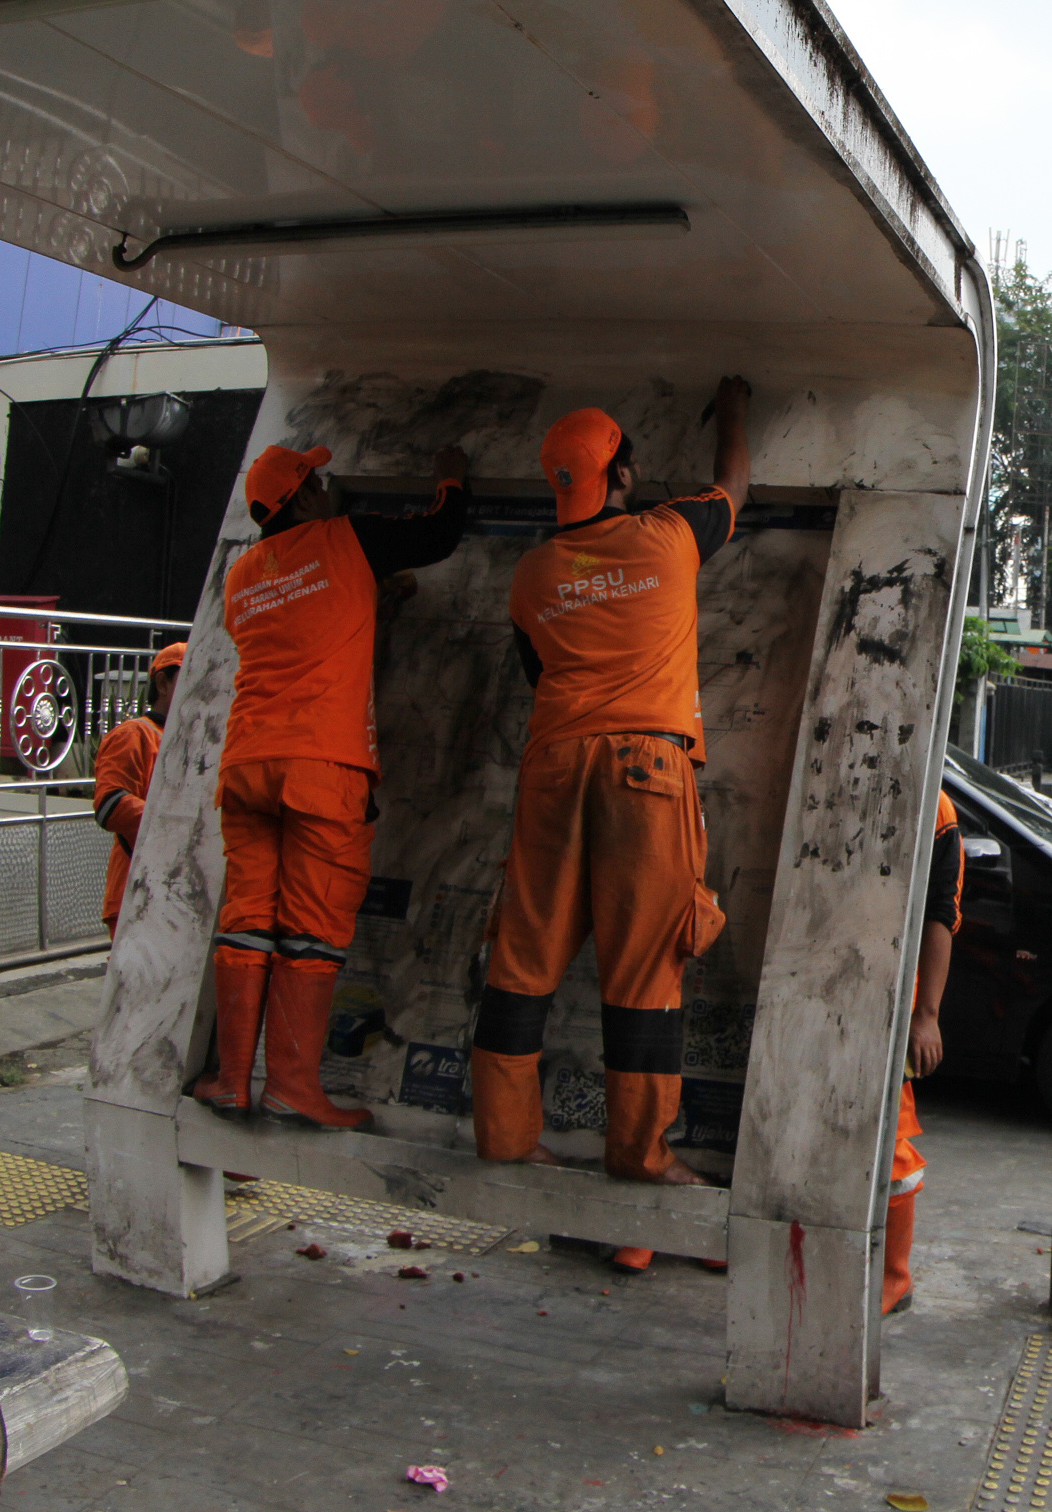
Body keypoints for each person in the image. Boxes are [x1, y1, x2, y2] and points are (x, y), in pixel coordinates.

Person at [469, 379, 749, 1256]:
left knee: (521, 958)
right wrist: (733, 403)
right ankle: (639, 1155)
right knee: (644, 971)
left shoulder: (531, 574)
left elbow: (538, 668)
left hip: (554, 761)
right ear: (623, 471)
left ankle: (506, 1138)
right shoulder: (669, 535)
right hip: (645, 769)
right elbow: (737, 486)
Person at [195, 441, 470, 1127]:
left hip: (248, 760)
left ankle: (232, 1080)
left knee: (249, 920)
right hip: (322, 763)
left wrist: (376, 597)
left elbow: (305, 621)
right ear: (308, 496)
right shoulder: (344, 538)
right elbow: (438, 534)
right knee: (312, 932)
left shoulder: (242, 574)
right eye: (318, 483)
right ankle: (291, 1086)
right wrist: (452, 478)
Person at [886, 790, 962, 1315]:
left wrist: (927, 1015)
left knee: (891, 1141)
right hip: (814, 973)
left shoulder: (934, 808)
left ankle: (894, 1277)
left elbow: (941, 914)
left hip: (888, 994)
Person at [94, 641, 185, 936]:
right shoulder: (136, 734)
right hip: (136, 894)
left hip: (173, 893)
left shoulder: (189, 740)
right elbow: (110, 806)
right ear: (162, 683)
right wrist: (181, 825)